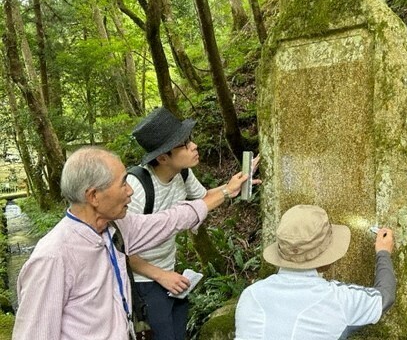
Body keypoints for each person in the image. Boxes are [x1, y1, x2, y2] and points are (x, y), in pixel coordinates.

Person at [12, 146, 249, 340]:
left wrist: (227, 191)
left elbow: (171, 220)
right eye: (123, 183)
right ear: (93, 196)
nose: (130, 192)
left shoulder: (115, 228)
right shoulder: (53, 257)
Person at [126, 107, 259, 340]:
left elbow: (204, 198)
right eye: (184, 144)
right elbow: (122, 246)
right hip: (144, 281)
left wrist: (235, 183)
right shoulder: (136, 188)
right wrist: (160, 275)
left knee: (179, 332)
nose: (194, 146)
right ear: (162, 157)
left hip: (169, 273)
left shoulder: (182, 173)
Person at [235, 204, 396, 340]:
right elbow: (385, 297)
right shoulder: (337, 299)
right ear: (325, 257)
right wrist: (383, 252)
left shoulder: (250, 296)